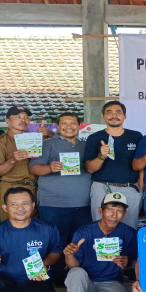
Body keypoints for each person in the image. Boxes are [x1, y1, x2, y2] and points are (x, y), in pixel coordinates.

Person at [29, 113, 92, 281]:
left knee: (80, 242)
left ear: (79, 126)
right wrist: (50, 168)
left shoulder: (87, 145)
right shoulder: (47, 144)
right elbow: (34, 168)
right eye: (64, 123)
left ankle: (77, 274)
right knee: (56, 241)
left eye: (73, 123)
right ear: (58, 126)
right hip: (53, 204)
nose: (69, 126)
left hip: (84, 203)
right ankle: (56, 275)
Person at [63, 192, 137, 292]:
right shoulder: (84, 232)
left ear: (124, 213)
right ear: (100, 210)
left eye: (119, 211)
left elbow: (132, 262)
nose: (114, 215)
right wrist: (69, 255)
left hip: (110, 280)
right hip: (86, 281)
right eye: (110, 209)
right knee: (75, 274)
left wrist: (126, 263)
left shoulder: (128, 233)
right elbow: (73, 267)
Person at [84, 101, 143, 229]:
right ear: (103, 116)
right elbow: (89, 168)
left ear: (125, 116)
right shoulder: (94, 138)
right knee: (101, 227)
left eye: (118, 112)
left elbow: (141, 164)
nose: (114, 115)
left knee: (129, 229)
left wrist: (142, 186)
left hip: (131, 188)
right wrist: (101, 156)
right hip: (102, 188)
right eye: (109, 112)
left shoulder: (136, 136)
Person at [0, 106, 40, 221]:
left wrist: (49, 134)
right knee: (11, 224)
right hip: (11, 187)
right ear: (7, 121)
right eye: (18, 117)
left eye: (26, 117)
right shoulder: (0, 143)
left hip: (34, 188)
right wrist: (12, 160)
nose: (23, 120)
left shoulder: (35, 139)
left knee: (33, 223)